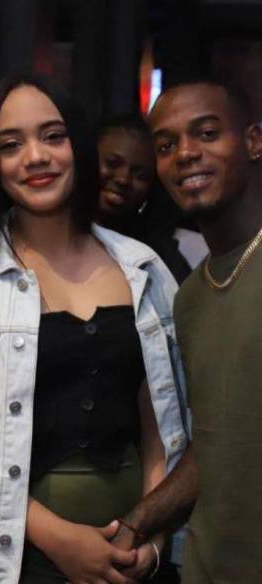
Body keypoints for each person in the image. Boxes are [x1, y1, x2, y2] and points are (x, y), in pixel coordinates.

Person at [0, 73, 189, 584]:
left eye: (53, 135)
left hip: (136, 558)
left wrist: (151, 544)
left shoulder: (145, 269)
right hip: (17, 560)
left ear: (79, 145)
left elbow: (164, 426)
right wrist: (58, 538)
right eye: (11, 144)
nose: (36, 157)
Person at [109, 78, 262, 583]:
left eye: (207, 133)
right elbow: (215, 442)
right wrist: (139, 521)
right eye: (167, 145)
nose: (187, 154)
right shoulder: (190, 298)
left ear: (254, 142)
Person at [95, 113, 206, 284]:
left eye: (140, 175)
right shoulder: (53, 234)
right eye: (112, 163)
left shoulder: (159, 258)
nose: (123, 179)